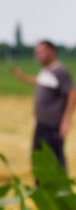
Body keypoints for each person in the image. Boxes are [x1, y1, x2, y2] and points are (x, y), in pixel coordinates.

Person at [12, 40, 75, 172]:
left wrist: (66, 120)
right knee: (39, 160)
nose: (38, 55)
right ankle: (40, 189)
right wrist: (22, 77)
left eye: (41, 52)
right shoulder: (46, 71)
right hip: (41, 125)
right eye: (37, 53)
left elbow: (72, 93)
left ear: (52, 52)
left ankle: (61, 190)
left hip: (53, 128)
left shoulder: (60, 71)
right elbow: (40, 81)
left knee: (55, 162)